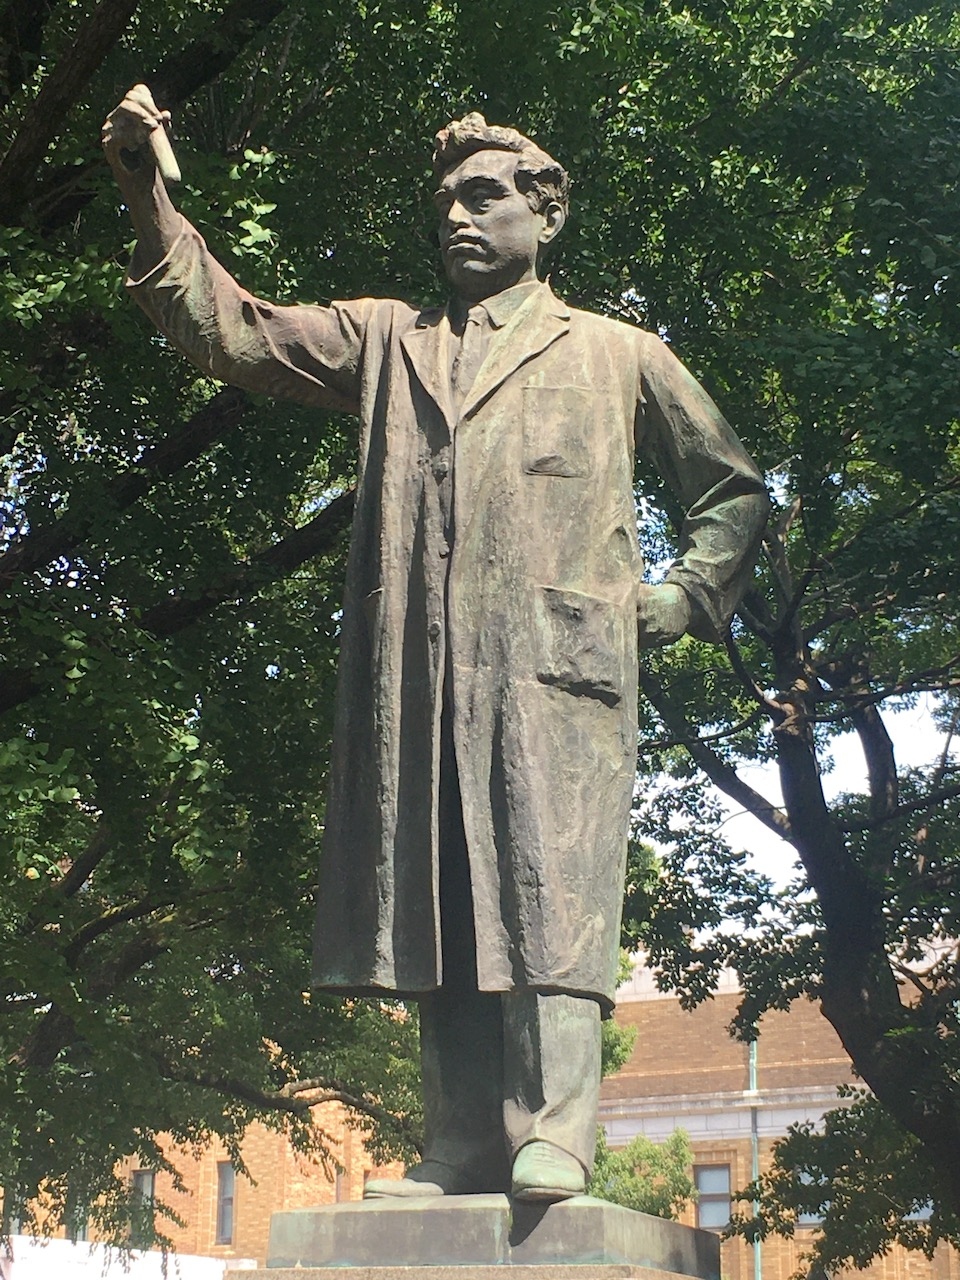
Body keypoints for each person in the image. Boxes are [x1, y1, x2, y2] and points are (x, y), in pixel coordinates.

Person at [103, 87, 769, 1204]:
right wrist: (143, 188)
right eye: (448, 201)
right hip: (420, 675)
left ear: (545, 213)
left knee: (551, 898)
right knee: (440, 898)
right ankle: (461, 1143)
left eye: (485, 196)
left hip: (556, 675)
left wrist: (686, 594)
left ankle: (553, 1132)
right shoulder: (388, 341)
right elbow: (233, 327)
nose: (459, 216)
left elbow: (732, 488)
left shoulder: (619, 354)